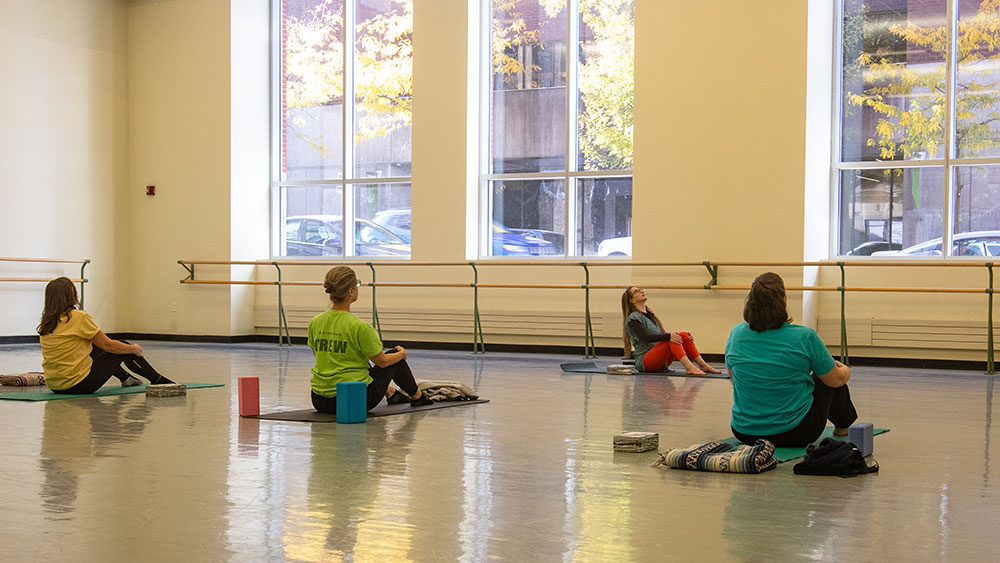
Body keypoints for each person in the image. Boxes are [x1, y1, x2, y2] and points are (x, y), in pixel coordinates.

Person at [725, 272, 857, 447]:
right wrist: (845, 370)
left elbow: (733, 376)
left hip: (745, 432)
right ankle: (842, 427)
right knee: (827, 377)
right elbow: (836, 379)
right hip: (797, 432)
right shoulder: (805, 336)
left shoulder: (736, 334)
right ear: (784, 300)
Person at [308, 266, 433, 414]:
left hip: (320, 400)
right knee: (393, 357)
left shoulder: (315, 322)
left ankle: (391, 393)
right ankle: (418, 397)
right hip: (353, 400)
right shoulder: (360, 327)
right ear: (351, 291)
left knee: (359, 359)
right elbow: (382, 362)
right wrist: (401, 354)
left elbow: (320, 356)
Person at [38, 277, 172, 394]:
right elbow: (108, 345)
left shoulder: (47, 321)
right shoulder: (79, 317)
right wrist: (135, 349)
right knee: (123, 346)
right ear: (71, 295)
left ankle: (126, 378)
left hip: (55, 386)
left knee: (95, 346)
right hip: (78, 385)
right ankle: (158, 380)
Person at [622, 286, 721, 375]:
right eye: (637, 292)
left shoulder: (650, 315)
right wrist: (670, 336)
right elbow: (645, 337)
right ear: (632, 300)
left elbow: (662, 337)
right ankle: (689, 367)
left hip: (659, 360)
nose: (642, 291)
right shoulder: (633, 318)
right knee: (671, 338)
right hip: (645, 361)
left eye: (641, 290)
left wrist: (681, 337)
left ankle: (703, 365)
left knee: (684, 335)